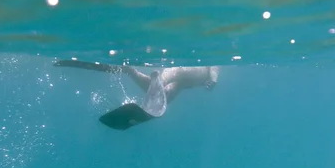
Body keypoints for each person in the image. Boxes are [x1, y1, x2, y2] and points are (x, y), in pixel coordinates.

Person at [53, 59, 220, 104]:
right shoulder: (212, 63)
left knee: (160, 94)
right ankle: (157, 79)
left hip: (182, 79)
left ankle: (129, 70)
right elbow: (214, 69)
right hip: (185, 74)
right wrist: (212, 81)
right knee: (162, 89)